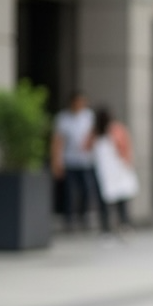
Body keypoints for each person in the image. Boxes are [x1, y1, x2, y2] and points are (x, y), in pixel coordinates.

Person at [50, 91, 96, 229]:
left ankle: (83, 217)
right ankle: (69, 219)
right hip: (69, 160)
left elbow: (94, 135)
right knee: (69, 192)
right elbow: (58, 141)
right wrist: (56, 161)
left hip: (86, 160)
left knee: (87, 190)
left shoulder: (89, 116)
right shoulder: (63, 118)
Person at [89, 107, 138, 234]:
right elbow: (87, 146)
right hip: (104, 171)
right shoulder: (96, 131)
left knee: (120, 198)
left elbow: (124, 147)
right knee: (108, 200)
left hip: (116, 169)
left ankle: (122, 225)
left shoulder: (116, 129)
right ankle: (109, 228)